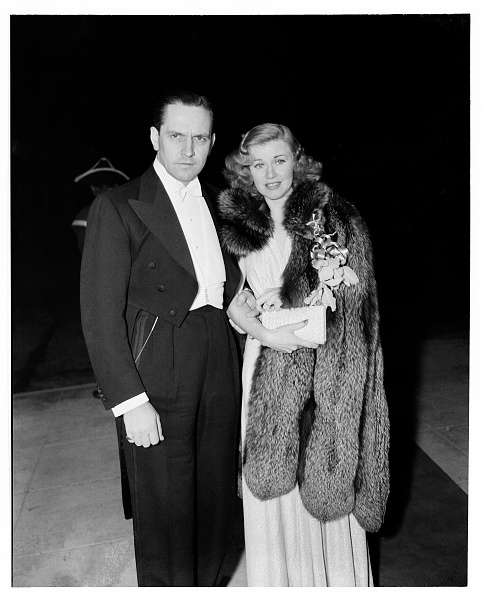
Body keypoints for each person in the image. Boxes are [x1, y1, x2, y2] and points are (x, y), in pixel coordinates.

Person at [80, 91, 253, 587]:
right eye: (177, 135)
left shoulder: (222, 202)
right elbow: (98, 315)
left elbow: (232, 282)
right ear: (155, 137)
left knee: (216, 495)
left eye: (200, 138)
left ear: (213, 142)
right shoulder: (119, 205)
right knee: (165, 503)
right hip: (158, 357)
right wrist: (129, 401)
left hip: (218, 351)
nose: (188, 149)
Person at [219, 123, 390, 587]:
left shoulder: (333, 217)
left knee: (326, 479)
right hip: (265, 369)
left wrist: (293, 295)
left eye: (279, 160)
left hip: (325, 368)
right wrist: (250, 318)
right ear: (245, 170)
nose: (270, 174)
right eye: (258, 164)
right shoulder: (235, 227)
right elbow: (228, 299)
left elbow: (358, 303)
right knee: (271, 484)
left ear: (298, 159)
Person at [71, 157, 130, 252]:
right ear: (93, 189)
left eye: (110, 184)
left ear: (116, 186)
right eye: (99, 186)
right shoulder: (85, 216)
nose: (106, 190)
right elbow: (86, 250)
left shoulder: (128, 212)